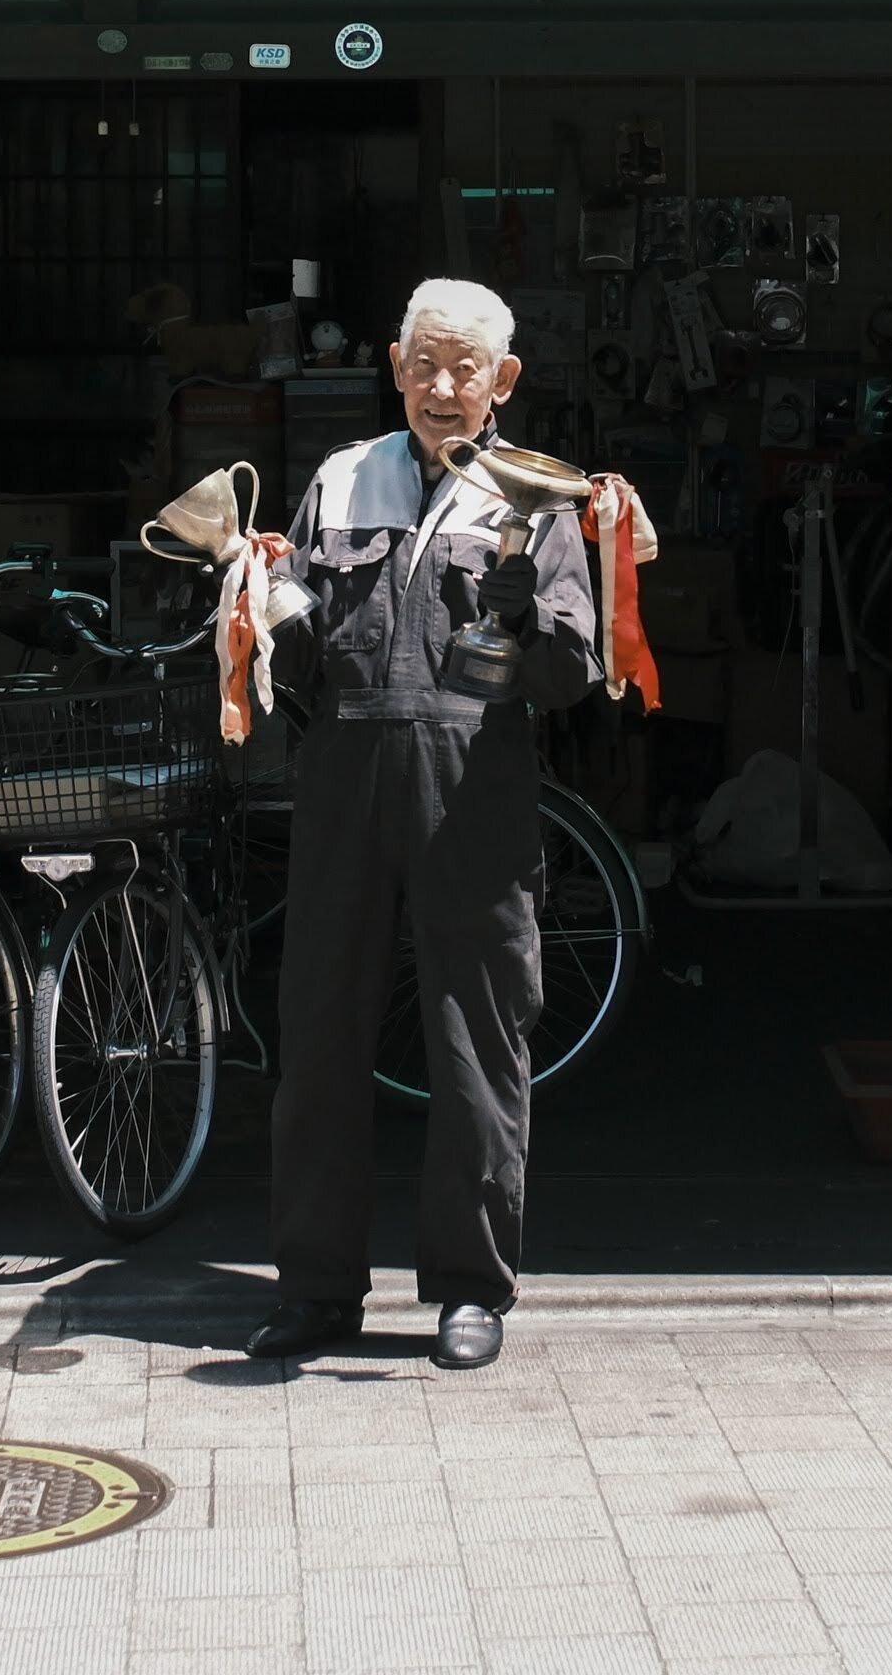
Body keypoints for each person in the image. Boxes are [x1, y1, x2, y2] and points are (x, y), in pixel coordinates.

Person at [245, 276, 600, 1371]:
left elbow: (573, 670)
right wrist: (259, 604)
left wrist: (521, 608)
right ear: (394, 367)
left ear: (503, 381)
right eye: (424, 365)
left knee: (476, 1039)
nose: (444, 388)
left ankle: (469, 1287)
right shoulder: (342, 479)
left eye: (467, 369)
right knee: (318, 1038)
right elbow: (298, 647)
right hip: (344, 773)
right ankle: (314, 1288)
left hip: (473, 783)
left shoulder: (534, 495)